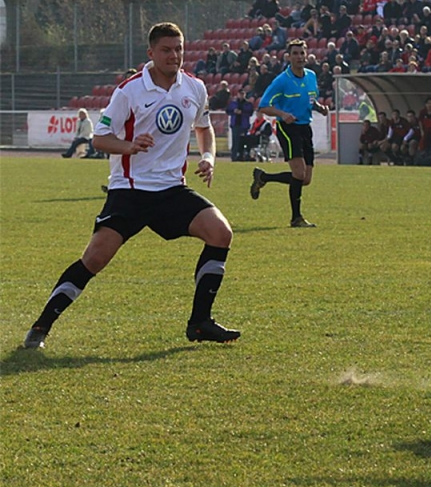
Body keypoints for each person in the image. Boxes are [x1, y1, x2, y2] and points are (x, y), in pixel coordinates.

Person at [24, 22, 239, 349]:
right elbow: (100, 139)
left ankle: (200, 323)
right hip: (130, 190)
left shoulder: (194, 88)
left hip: (172, 190)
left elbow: (204, 127)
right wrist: (129, 146)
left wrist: (208, 157)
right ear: (151, 53)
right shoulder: (129, 91)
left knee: (221, 233)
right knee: (94, 259)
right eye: (166, 50)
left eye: (179, 49)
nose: (174, 56)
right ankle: (41, 327)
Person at [250, 39, 329, 228]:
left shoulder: (311, 76)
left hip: (305, 127)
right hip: (288, 128)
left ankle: (264, 177)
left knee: (305, 179)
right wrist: (282, 114)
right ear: (288, 57)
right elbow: (263, 106)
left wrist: (320, 108)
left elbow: (311, 100)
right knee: (299, 173)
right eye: (295, 53)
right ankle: (296, 218)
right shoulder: (281, 81)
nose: (299, 57)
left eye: (302, 53)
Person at [226, 89, 254, 162]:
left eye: (243, 94)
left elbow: (250, 112)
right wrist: (234, 111)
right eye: (240, 94)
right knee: (235, 141)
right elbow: (228, 111)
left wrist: (242, 112)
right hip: (235, 124)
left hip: (244, 125)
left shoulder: (248, 104)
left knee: (243, 141)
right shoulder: (233, 103)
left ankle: (242, 155)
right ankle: (234, 156)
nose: (241, 95)